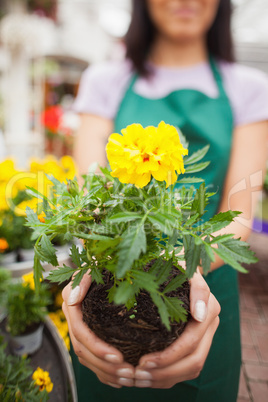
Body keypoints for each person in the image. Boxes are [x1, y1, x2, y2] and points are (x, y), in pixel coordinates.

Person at [62, 0, 268, 401]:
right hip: (114, 281)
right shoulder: (105, 80)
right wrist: (83, 283)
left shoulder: (250, 88)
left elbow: (240, 214)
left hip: (205, 282)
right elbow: (90, 204)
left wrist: (179, 267)